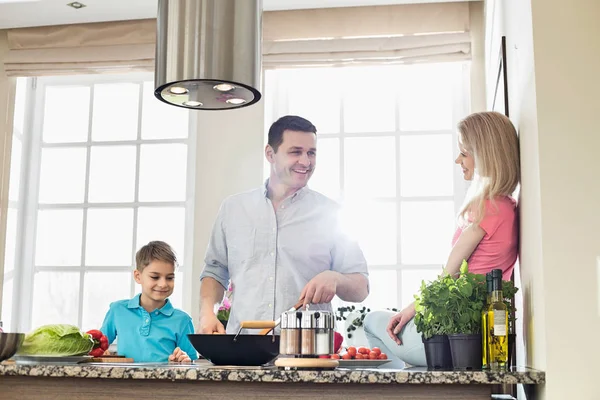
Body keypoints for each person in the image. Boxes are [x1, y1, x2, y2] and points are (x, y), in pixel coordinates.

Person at [363, 111, 520, 368]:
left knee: (372, 321)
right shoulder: (506, 206)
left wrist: (410, 310)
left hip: (449, 336)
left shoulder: (487, 207)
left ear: (486, 155)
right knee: (411, 366)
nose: (458, 159)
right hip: (475, 334)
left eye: (465, 152)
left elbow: (450, 275)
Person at [199, 115, 369, 334]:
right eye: (295, 152)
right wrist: (208, 314)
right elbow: (215, 270)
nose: (306, 162)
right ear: (270, 154)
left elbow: (361, 287)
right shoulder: (233, 208)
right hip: (243, 348)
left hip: (309, 352)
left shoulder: (331, 214)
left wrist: (335, 278)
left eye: (311, 153)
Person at [100, 241, 197, 362]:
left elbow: (192, 364)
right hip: (123, 381)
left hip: (165, 381)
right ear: (138, 276)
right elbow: (97, 347)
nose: (163, 284)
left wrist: (185, 360)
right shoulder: (117, 310)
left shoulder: (183, 320)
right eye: (155, 277)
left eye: (170, 278)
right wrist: (102, 355)